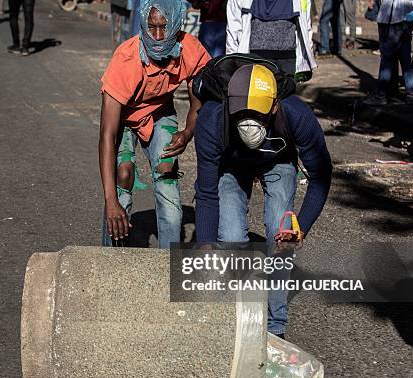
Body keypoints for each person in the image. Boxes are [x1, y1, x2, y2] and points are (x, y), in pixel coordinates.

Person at [193, 62, 332, 336]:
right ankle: (237, 321)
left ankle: (275, 326)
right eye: (241, 114)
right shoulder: (211, 119)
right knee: (231, 239)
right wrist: (206, 243)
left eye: (256, 114)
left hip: (277, 161)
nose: (248, 122)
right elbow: (207, 191)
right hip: (231, 166)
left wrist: (299, 228)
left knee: (280, 237)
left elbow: (321, 178)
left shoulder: (296, 114)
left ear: (275, 107)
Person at [99, 0, 210, 248]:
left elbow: (199, 103)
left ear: (177, 26)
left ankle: (166, 267)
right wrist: (110, 201)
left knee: (166, 172)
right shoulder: (126, 59)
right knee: (123, 175)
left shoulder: (190, 50)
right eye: (151, 27)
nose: (158, 36)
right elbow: (107, 134)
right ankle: (109, 260)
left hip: (161, 112)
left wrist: (188, 132)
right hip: (125, 118)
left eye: (164, 27)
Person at [226, 0, 317, 79]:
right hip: (259, 57)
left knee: (275, 97)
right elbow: (233, 27)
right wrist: (231, 61)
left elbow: (306, 25)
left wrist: (307, 60)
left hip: (285, 57)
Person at [365, 0, 413, 105]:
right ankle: (410, 94)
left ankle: (381, 95)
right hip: (407, 15)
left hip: (391, 18)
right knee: (405, 58)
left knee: (387, 60)